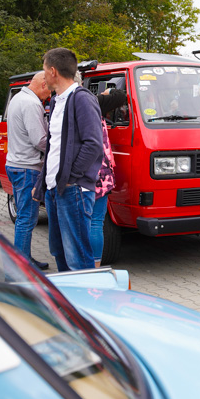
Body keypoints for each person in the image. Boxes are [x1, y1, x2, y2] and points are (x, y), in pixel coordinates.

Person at [34, 48, 102, 272]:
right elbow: (53, 147)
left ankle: (85, 305)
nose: (43, 75)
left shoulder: (82, 99)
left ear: (53, 71)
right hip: (56, 190)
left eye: (44, 70)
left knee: (78, 258)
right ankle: (68, 303)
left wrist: (71, 178)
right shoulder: (56, 101)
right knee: (59, 252)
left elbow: (93, 144)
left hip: (73, 190)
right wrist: (41, 183)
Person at [5, 71, 51, 270]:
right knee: (27, 218)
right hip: (27, 167)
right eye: (49, 89)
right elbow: (39, 139)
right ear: (42, 84)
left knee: (24, 216)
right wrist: (56, 149)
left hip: (15, 164)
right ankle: (22, 266)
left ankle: (24, 259)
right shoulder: (32, 104)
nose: (49, 96)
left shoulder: (17, 98)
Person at [91, 80, 127, 267]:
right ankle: (95, 265)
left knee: (86, 222)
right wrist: (107, 93)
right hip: (102, 174)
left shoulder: (78, 106)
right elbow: (121, 96)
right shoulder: (95, 105)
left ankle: (84, 264)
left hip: (87, 174)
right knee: (96, 222)